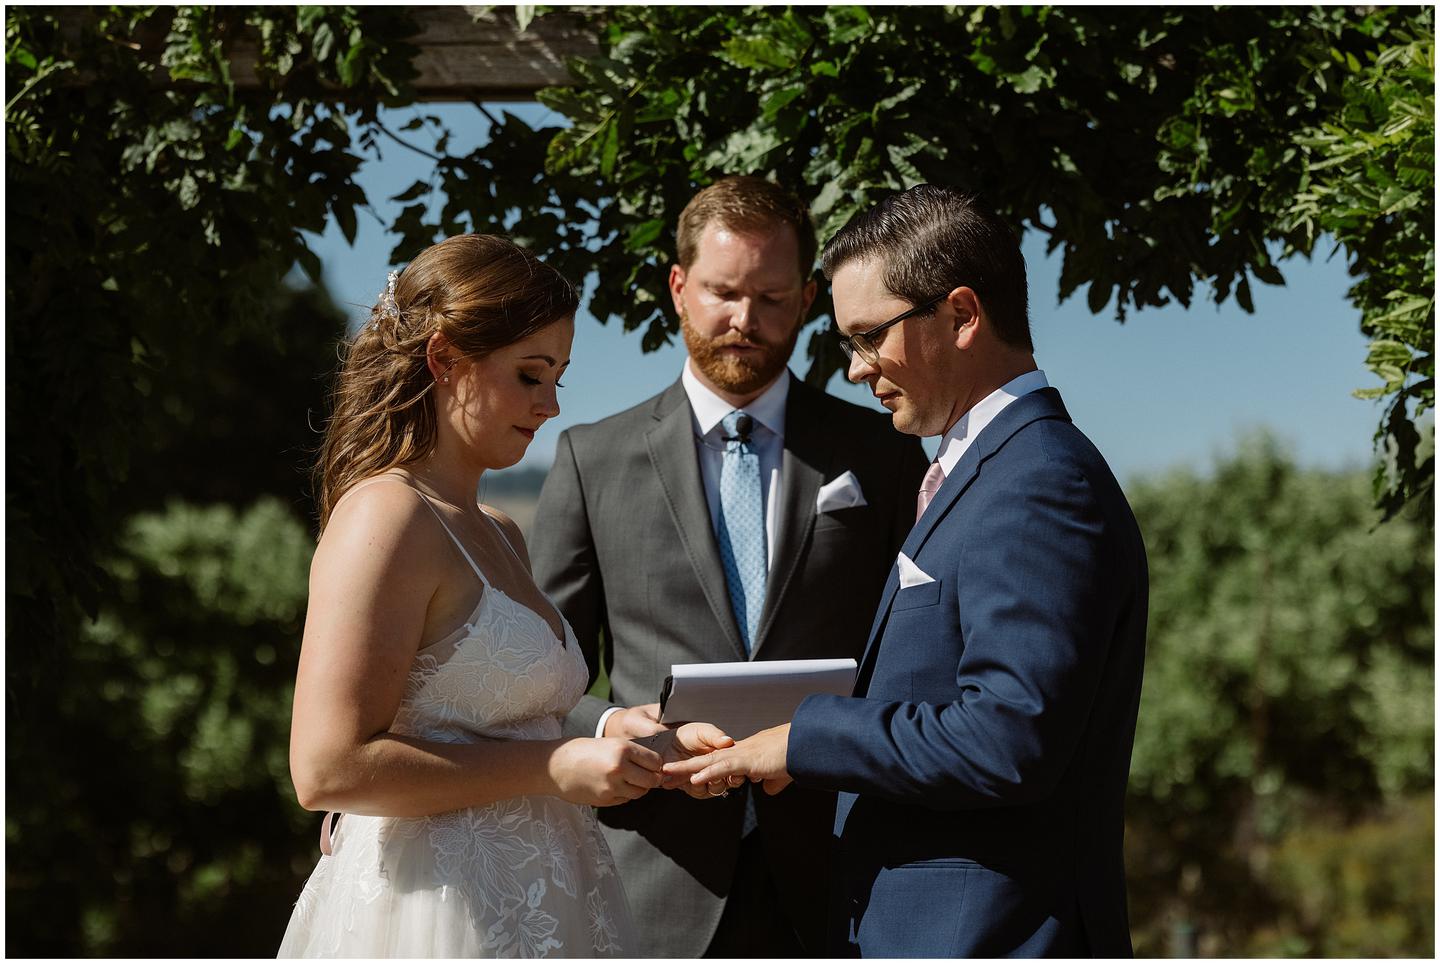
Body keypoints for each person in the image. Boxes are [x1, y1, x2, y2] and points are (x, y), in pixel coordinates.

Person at [666, 185, 1150, 957]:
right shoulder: (986, 472)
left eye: (867, 338)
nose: (855, 371)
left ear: (961, 316)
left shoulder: (1037, 482)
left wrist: (805, 739)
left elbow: (1006, 738)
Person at [278, 234, 730, 958]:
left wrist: (614, 729)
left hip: (549, 899)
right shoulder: (387, 516)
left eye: (559, 378)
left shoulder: (499, 531)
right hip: (442, 910)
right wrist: (553, 766)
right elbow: (327, 768)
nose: (550, 405)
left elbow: (503, 711)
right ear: (445, 359)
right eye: (529, 375)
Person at [529, 176, 929, 957]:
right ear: (679, 288)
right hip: (649, 874)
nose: (744, 320)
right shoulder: (591, 458)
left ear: (810, 297)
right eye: (722, 292)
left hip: (841, 872)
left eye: (773, 297)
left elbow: (914, 655)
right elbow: (546, 677)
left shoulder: (880, 453)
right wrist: (619, 730)